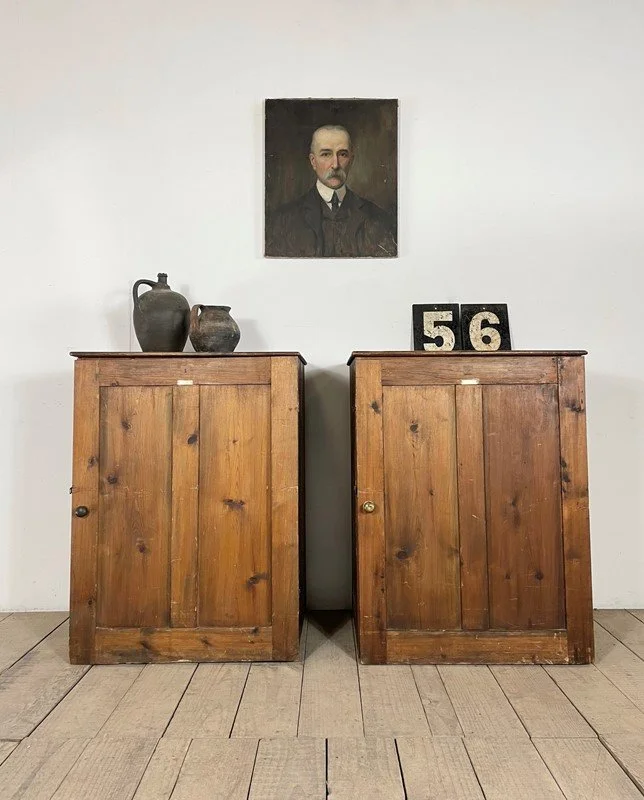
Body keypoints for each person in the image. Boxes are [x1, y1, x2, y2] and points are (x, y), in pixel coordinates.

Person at [265, 125, 397, 258]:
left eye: (343, 154)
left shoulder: (378, 218)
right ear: (313, 161)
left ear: (351, 160)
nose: (335, 164)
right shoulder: (283, 221)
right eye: (326, 154)